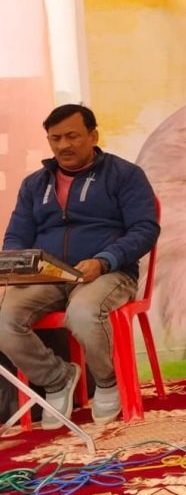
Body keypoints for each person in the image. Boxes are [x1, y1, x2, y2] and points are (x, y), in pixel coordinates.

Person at [0, 104, 159, 428]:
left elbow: (145, 229)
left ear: (93, 136)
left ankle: (107, 381)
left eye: (72, 136)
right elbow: (17, 235)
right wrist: (16, 267)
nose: (63, 145)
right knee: (4, 320)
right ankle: (57, 379)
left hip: (109, 272)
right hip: (46, 278)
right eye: (55, 138)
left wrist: (104, 261)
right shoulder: (34, 184)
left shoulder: (125, 175)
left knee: (83, 313)